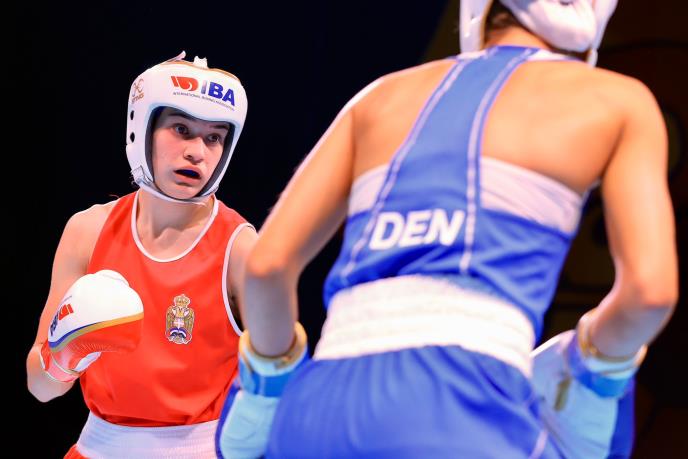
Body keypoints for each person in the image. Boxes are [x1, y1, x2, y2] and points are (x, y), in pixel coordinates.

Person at [223, 0, 678, 458]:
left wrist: (268, 383)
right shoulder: (616, 101)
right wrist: (588, 368)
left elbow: (266, 267)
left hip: (320, 408)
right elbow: (649, 294)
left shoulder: (380, 97)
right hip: (467, 401)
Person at [26, 51, 257, 458]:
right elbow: (40, 388)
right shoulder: (87, 231)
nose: (197, 152)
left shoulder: (240, 248)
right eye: (181, 129)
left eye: (214, 137)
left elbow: (277, 382)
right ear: (142, 127)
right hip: (97, 448)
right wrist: (67, 354)